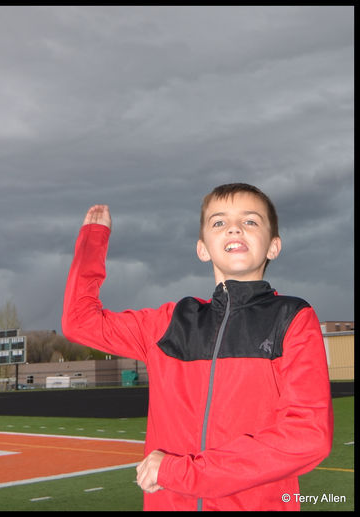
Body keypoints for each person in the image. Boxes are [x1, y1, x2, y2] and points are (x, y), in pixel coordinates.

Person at [61, 183, 333, 511]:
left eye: (250, 221)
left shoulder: (292, 318)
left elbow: (308, 435)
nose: (234, 227)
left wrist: (184, 472)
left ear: (273, 246)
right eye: (219, 222)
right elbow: (79, 322)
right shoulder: (167, 324)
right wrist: (93, 240)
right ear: (202, 248)